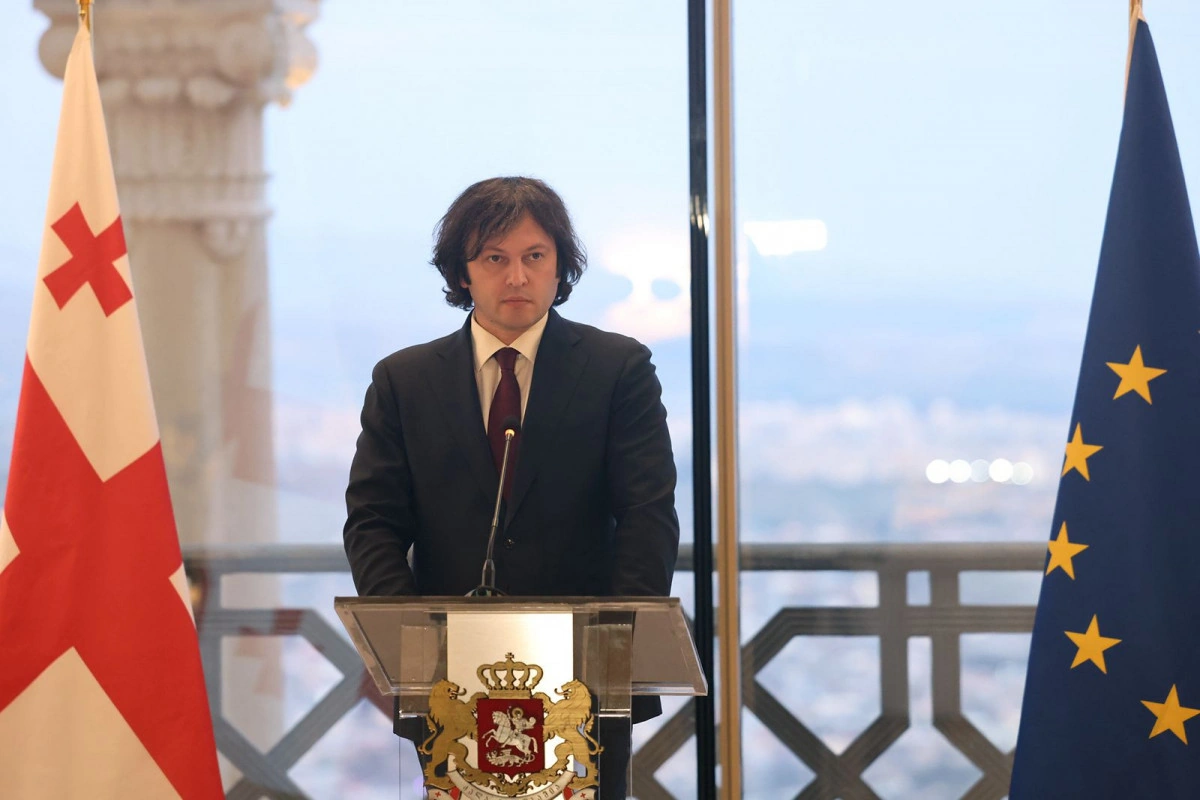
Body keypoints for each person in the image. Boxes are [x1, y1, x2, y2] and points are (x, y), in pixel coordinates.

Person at [342, 176, 680, 799]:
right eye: (494, 258)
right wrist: (412, 643)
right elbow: (373, 522)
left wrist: (615, 649)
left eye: (534, 256)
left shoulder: (618, 369)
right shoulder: (404, 381)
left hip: (583, 685)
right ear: (462, 273)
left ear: (560, 266)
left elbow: (647, 515)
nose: (517, 276)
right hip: (447, 684)